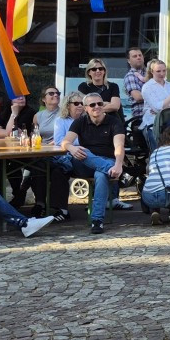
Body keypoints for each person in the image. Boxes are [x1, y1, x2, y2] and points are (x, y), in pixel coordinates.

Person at [56, 91, 127, 234]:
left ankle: (97, 220)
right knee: (83, 152)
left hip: (108, 160)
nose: (97, 107)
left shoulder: (114, 122)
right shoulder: (80, 122)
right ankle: (115, 172)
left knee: (101, 176)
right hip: (84, 163)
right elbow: (64, 142)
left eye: (100, 104)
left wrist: (118, 163)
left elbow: (119, 146)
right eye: (92, 104)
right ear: (86, 108)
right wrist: (71, 148)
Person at [137, 60, 170, 148]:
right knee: (158, 151)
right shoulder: (147, 87)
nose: (162, 74)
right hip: (153, 123)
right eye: (158, 71)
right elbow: (157, 108)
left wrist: (164, 107)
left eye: (164, 71)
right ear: (152, 71)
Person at [122, 47, 148, 122]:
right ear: (129, 61)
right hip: (141, 116)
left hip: (158, 114)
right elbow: (138, 97)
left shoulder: (152, 73)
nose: (138, 57)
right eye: (135, 56)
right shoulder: (130, 76)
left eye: (140, 55)